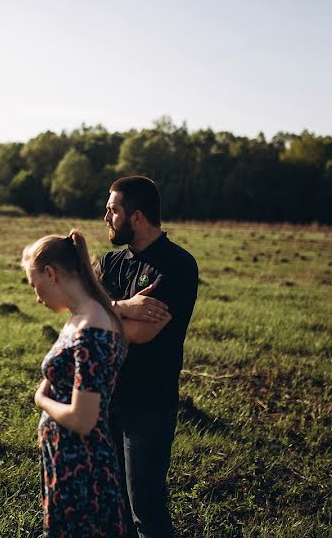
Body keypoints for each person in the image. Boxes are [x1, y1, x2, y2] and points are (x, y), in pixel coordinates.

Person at [97, 176, 199, 538]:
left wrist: (104, 315)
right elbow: (82, 318)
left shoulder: (177, 265)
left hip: (149, 404)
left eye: (113, 210)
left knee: (147, 511)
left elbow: (143, 333)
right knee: (115, 507)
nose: (106, 217)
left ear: (136, 217)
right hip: (106, 398)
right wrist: (125, 306)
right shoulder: (109, 263)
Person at [23, 230, 129, 537]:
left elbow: (83, 420)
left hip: (83, 470)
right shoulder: (80, 317)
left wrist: (41, 400)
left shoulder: (93, 326)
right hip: (67, 461)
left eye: (35, 285)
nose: (37, 296)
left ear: (51, 273)